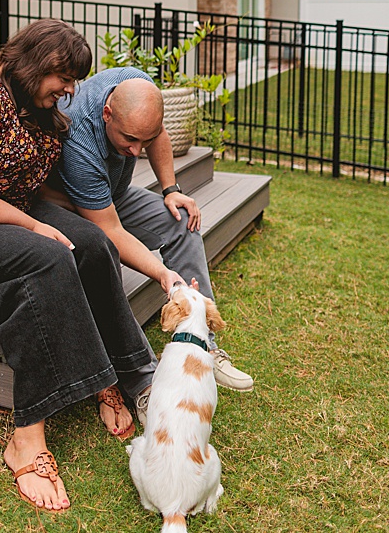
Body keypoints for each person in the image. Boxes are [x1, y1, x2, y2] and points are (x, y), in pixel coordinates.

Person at [0, 19, 180, 512]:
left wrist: (58, 217)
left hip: (1, 210)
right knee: (45, 257)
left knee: (92, 244)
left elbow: (36, 185)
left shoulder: (37, 106)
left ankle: (121, 373)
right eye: (63, 78)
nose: (69, 90)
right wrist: (37, 227)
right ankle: (27, 435)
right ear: (37, 62)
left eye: (73, 82)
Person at [43, 67, 254, 391]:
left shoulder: (138, 84)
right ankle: (139, 377)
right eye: (129, 139)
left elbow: (158, 135)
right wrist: (161, 273)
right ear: (107, 114)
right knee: (103, 247)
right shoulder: (79, 139)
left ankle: (204, 347)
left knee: (182, 221)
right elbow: (110, 229)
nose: (136, 152)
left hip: (114, 193)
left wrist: (171, 190)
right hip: (77, 207)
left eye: (144, 140)